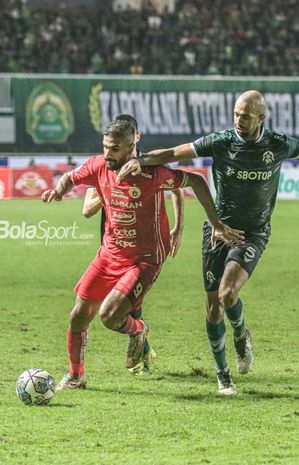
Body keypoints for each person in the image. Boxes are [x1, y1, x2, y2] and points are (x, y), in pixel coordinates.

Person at [117, 90, 299, 395]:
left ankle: (241, 336)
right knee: (211, 308)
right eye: (235, 114)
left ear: (261, 117)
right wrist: (140, 160)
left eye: (245, 116)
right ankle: (223, 374)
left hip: (254, 232)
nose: (238, 120)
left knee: (228, 294)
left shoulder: (278, 144)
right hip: (218, 230)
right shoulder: (221, 141)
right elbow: (173, 153)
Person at [42, 119, 243, 390]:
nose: (107, 154)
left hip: (145, 259)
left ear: (131, 147)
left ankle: (138, 331)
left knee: (110, 316)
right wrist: (58, 191)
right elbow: (70, 177)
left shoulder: (151, 174)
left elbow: (194, 181)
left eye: (113, 149)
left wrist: (215, 225)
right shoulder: (99, 165)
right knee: (77, 315)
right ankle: (77, 375)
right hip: (109, 253)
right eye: (105, 147)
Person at [81, 114, 185, 375]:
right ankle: (141, 348)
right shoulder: (103, 167)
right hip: (112, 241)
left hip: (143, 245)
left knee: (129, 304)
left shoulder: (147, 165)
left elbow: (178, 187)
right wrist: (110, 191)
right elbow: (86, 210)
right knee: (122, 305)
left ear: (135, 138)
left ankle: (142, 353)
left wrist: (178, 226)